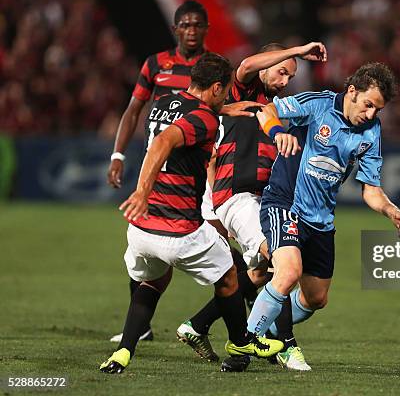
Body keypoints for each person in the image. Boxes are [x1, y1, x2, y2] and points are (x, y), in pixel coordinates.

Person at [99, 53, 283, 374]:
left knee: (154, 282)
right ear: (214, 87)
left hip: (142, 229)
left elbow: (182, 121)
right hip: (179, 228)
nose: (227, 96)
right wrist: (140, 191)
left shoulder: (164, 101)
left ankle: (123, 352)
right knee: (229, 277)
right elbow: (164, 142)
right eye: (224, 92)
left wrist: (224, 109)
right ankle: (241, 342)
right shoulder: (206, 119)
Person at [244, 62, 400, 370]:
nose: (371, 114)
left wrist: (390, 209)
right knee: (288, 272)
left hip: (321, 219)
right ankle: (249, 344)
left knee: (315, 299)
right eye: (368, 105)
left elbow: (371, 189)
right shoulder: (317, 105)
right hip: (286, 203)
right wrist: (279, 132)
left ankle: (261, 323)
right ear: (352, 91)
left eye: (378, 109)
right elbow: (266, 110)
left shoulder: (371, 131)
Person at [175, 42, 327, 371]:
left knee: (259, 274)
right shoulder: (243, 90)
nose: (286, 80)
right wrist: (298, 51)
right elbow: (244, 65)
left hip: (263, 200)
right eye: (282, 71)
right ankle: (285, 345)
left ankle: (199, 326)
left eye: (291, 75)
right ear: (266, 66)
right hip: (237, 195)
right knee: (280, 258)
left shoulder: (279, 109)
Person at [105, 0, 246, 343]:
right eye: (186, 25)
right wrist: (119, 153)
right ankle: (240, 337)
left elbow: (200, 114)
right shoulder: (156, 65)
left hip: (203, 167)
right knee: (217, 264)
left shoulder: (213, 68)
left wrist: (233, 108)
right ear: (176, 29)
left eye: (198, 25)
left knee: (166, 250)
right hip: (169, 176)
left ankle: (248, 321)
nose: (192, 31)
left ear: (206, 30)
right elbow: (136, 110)